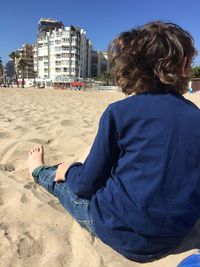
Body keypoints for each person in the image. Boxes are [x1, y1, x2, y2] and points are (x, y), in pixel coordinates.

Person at [28, 21, 200, 263]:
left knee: (64, 180)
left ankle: (38, 170)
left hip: (119, 231)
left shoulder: (120, 112)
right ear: (183, 65)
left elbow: (86, 186)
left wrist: (70, 171)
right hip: (174, 236)